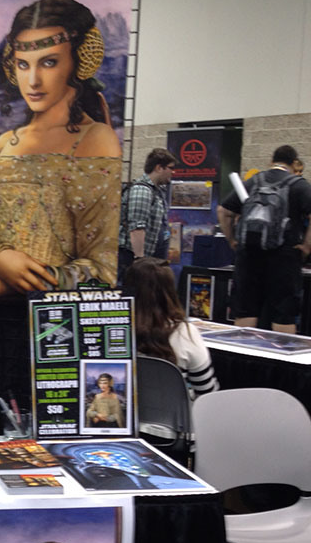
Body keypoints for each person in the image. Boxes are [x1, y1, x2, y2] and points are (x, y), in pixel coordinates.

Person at [0, 0, 121, 303]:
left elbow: (103, 269)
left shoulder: (96, 139)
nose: (33, 80)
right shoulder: (2, 146)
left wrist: (23, 282)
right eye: (23, 64)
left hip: (55, 321)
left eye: (49, 62)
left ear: (77, 61)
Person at [217, 144, 311, 334]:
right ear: (294, 163)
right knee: (283, 314)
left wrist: (233, 240)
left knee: (245, 311)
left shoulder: (253, 182)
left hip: (248, 256)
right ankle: (282, 353)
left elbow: (223, 211)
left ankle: (242, 352)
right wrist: (307, 246)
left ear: (271, 161)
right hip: (284, 258)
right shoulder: (299, 185)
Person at [123, 257, 218, 395]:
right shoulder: (185, 333)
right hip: (175, 409)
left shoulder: (112, 330)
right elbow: (206, 391)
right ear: (170, 290)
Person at [119, 148, 176, 279]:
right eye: (170, 168)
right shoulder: (142, 190)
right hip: (133, 260)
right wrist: (140, 260)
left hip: (149, 259)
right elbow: (136, 228)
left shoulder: (157, 191)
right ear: (159, 168)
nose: (173, 172)